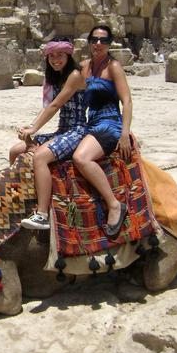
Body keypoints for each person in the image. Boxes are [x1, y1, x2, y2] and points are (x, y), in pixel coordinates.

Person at [14, 38, 87, 230]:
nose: (55, 59)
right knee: (15, 151)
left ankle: (42, 214)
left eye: (60, 55)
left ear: (68, 56)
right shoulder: (56, 77)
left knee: (40, 157)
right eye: (52, 56)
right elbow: (47, 106)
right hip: (62, 130)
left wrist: (33, 129)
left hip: (77, 130)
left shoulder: (74, 75)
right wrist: (30, 126)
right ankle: (24, 197)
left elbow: (55, 105)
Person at [72, 25, 132, 238]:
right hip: (90, 124)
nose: (98, 44)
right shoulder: (83, 67)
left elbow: (126, 101)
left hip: (109, 123)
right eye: (95, 39)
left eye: (103, 41)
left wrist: (124, 134)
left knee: (81, 158)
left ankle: (114, 205)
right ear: (89, 42)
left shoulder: (113, 66)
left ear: (109, 44)